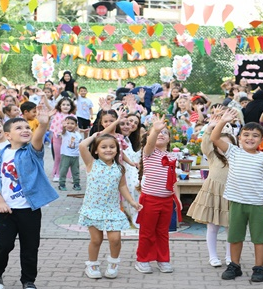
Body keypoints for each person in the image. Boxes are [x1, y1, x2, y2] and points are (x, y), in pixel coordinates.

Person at [0, 101, 59, 289]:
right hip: (6, 211)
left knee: (30, 246)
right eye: (19, 128)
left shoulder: (32, 152)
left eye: (27, 127)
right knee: (3, 245)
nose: (25, 129)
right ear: (8, 135)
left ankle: (28, 280)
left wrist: (42, 125)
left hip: (30, 210)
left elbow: (38, 138)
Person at [211, 109, 263, 283]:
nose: (250, 138)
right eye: (246, 135)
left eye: (255, 135)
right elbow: (215, 138)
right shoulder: (233, 151)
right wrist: (223, 121)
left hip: (257, 204)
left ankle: (259, 268)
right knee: (235, 236)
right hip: (237, 202)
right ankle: (234, 265)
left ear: (261, 140)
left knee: (260, 238)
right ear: (239, 138)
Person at [78, 132, 142, 279]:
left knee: (115, 239)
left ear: (117, 150)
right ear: (95, 150)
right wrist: (94, 136)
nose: (108, 150)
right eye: (104, 147)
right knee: (96, 240)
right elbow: (82, 145)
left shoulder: (119, 169)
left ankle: (113, 263)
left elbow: (123, 186)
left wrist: (132, 202)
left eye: (112, 147)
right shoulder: (91, 163)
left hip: (112, 209)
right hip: (93, 209)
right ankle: (92, 265)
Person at [186, 108, 235, 267]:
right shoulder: (213, 156)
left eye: (228, 145)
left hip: (231, 194)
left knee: (231, 227)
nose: (224, 148)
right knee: (212, 226)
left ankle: (230, 255)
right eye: (221, 144)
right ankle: (213, 256)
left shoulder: (237, 158)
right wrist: (210, 127)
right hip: (214, 192)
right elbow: (206, 144)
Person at [135, 114, 180, 274]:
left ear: (169, 139)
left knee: (163, 232)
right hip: (150, 199)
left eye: (165, 133)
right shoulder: (149, 153)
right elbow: (150, 143)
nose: (161, 134)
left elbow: (173, 181)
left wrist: (177, 200)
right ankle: (142, 259)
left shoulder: (173, 156)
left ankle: (163, 259)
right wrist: (155, 130)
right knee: (147, 231)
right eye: (158, 133)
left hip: (167, 200)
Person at [49, 97, 75, 182]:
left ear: (71, 106)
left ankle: (69, 174)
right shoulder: (56, 114)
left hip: (68, 139)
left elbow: (74, 129)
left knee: (68, 156)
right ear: (59, 106)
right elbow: (48, 106)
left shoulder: (73, 116)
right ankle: (57, 174)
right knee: (58, 157)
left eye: (68, 105)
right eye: (63, 104)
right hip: (57, 138)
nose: (65, 106)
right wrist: (44, 97)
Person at [58, 116, 83, 191]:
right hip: (66, 155)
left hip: (75, 156)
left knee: (76, 171)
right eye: (67, 123)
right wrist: (63, 127)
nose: (69, 125)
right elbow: (62, 131)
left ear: (76, 125)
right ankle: (62, 184)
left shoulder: (78, 134)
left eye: (72, 123)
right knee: (63, 170)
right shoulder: (65, 133)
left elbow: (81, 143)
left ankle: (76, 184)